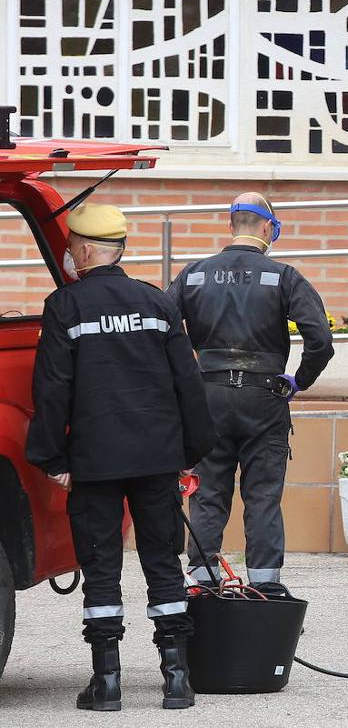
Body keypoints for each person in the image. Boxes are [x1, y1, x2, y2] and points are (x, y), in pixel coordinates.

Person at [26, 203, 215, 710]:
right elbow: (187, 383)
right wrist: (191, 451)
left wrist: (53, 458)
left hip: (95, 459)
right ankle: (176, 679)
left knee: (101, 565)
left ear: (84, 250)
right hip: (156, 457)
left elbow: (52, 389)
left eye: (69, 248)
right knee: (162, 560)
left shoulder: (65, 307)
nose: (68, 256)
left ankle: (106, 683)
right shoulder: (154, 303)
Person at [166, 192, 333, 591]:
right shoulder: (283, 276)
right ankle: (266, 587)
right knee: (262, 496)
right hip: (264, 398)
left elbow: (162, 334)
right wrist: (300, 380)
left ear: (231, 225)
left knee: (207, 494)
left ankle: (203, 586)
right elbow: (321, 339)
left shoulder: (193, 275)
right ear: (266, 228)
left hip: (208, 398)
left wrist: (185, 385)